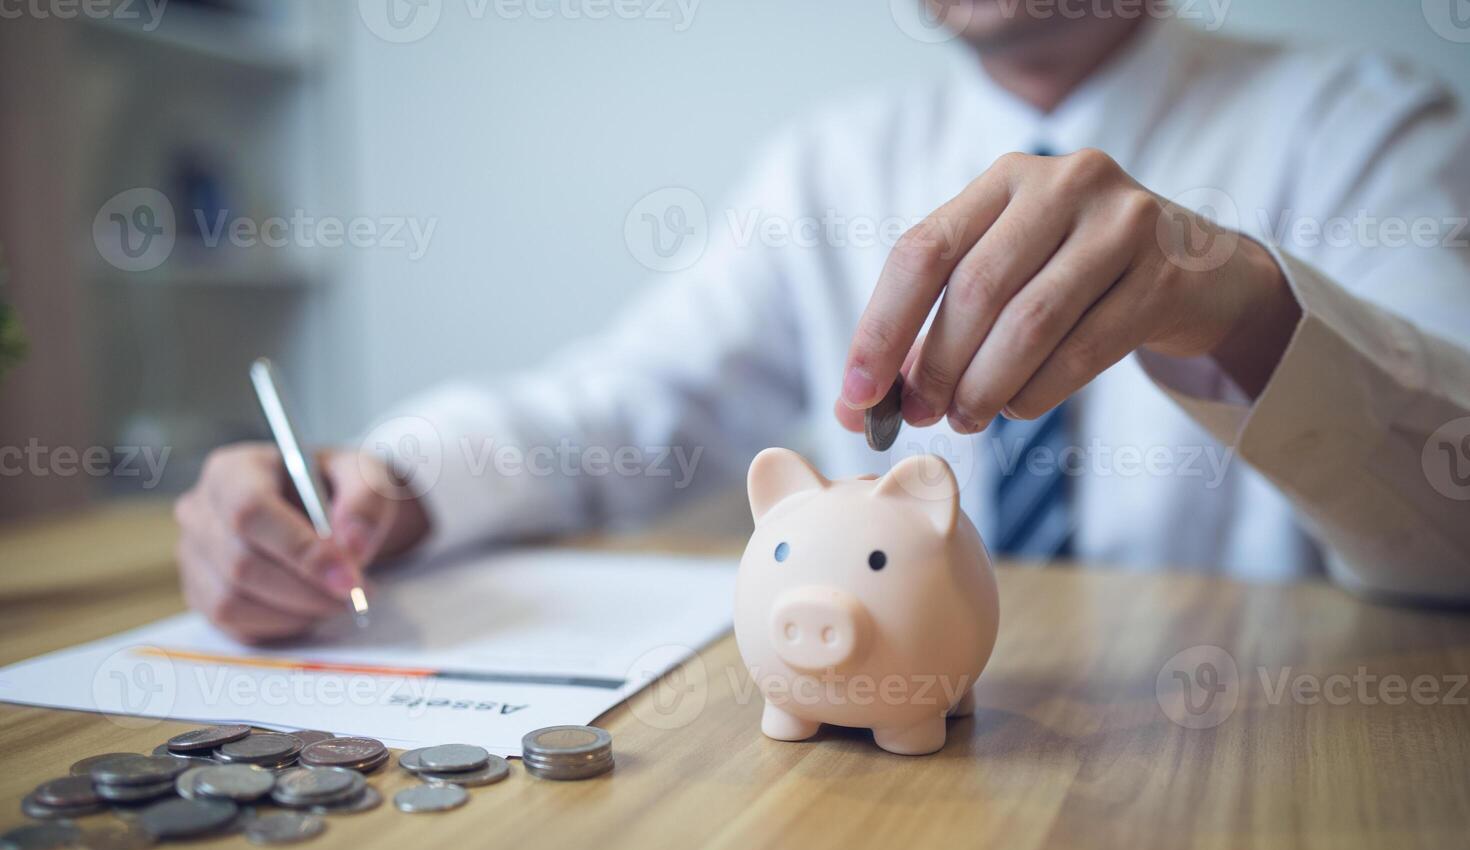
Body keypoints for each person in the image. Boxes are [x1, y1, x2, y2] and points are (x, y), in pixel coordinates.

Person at [174, 3, 1470, 642]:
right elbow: (620, 409)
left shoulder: (1367, 124)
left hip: (1262, 778)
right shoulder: (831, 164)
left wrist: (1245, 307)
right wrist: (384, 482)